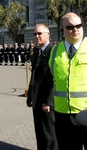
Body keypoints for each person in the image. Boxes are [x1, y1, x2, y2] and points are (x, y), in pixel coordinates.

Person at [43, 12, 87, 150]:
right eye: (70, 27)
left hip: (85, 112)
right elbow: (50, 80)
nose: (75, 29)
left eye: (78, 26)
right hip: (62, 116)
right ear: (62, 29)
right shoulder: (55, 51)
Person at [26, 23, 58, 150]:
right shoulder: (37, 52)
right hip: (36, 100)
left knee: (49, 136)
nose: (37, 36)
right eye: (35, 34)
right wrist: (29, 97)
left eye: (40, 33)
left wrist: (48, 101)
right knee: (39, 133)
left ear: (48, 34)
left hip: (46, 103)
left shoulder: (53, 51)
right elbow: (34, 76)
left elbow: (54, 78)